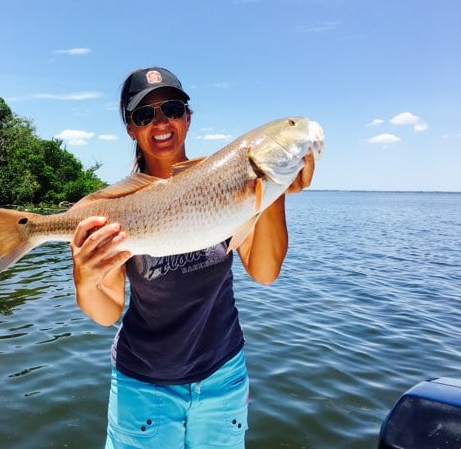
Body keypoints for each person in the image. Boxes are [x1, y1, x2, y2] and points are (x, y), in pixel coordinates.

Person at [70, 67, 315, 448]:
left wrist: (274, 188)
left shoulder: (230, 179)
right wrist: (85, 277)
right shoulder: (117, 207)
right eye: (144, 115)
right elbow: (106, 313)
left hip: (223, 378)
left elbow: (265, 273)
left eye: (171, 108)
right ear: (131, 128)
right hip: (144, 385)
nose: (160, 122)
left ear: (188, 116)